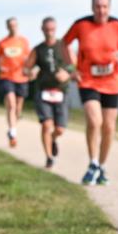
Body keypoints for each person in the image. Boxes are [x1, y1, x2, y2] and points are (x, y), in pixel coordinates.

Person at [63, 0, 118, 185]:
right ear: (92, 7)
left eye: (105, 7)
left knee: (109, 127)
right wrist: (72, 68)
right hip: (88, 80)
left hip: (112, 81)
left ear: (109, 8)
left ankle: (101, 166)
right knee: (95, 121)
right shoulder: (81, 25)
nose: (101, 10)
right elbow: (65, 43)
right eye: (97, 6)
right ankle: (93, 163)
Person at [25, 17, 71, 168]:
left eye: (52, 29)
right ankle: (49, 157)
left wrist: (67, 73)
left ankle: (53, 139)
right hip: (43, 92)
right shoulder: (38, 49)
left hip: (60, 92)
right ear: (42, 30)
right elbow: (26, 68)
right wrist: (30, 72)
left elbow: (75, 65)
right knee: (46, 125)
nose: (49, 33)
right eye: (47, 30)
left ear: (56, 29)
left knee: (60, 129)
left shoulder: (64, 47)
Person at [0, 17, 31, 148]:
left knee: (18, 108)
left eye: (15, 25)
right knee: (11, 103)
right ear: (7, 27)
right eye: (10, 25)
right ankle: (13, 133)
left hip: (21, 77)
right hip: (7, 76)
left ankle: (13, 125)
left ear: (18, 26)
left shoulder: (24, 42)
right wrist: (0, 67)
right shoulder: (2, 43)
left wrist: (30, 69)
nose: (13, 27)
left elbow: (29, 59)